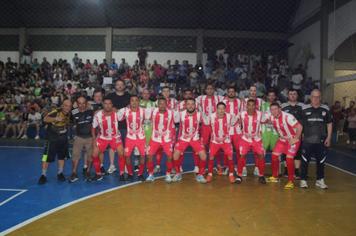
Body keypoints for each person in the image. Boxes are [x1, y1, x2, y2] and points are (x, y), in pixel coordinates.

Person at [300, 89, 332, 189]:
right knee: (305, 161)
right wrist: (299, 136)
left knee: (321, 161)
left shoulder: (325, 109)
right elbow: (300, 125)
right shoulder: (304, 109)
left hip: (321, 141)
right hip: (307, 141)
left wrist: (329, 137)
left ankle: (320, 180)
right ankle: (303, 180)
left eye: (318, 97)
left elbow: (329, 124)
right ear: (310, 97)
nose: (315, 99)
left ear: (320, 98)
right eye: (314, 97)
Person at [267, 103, 303, 189]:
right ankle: (275, 177)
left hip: (292, 139)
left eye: (276, 109)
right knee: (274, 156)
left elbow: (300, 127)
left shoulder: (288, 117)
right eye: (272, 109)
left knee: (289, 158)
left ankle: (291, 181)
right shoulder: (271, 117)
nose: (274, 111)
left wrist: (296, 138)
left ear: (280, 109)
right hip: (282, 139)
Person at [171, 98, 207, 183]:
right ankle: (178, 173)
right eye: (188, 104)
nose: (190, 106)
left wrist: (202, 112)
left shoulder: (199, 114)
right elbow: (175, 120)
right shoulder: (181, 113)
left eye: (192, 104)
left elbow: (207, 122)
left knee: (204, 156)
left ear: (195, 105)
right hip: (183, 139)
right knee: (175, 155)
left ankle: (200, 175)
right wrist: (176, 110)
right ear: (185, 105)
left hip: (195, 139)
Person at [38, 99, 72, 185]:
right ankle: (43, 175)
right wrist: (55, 118)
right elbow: (45, 119)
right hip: (51, 138)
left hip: (63, 138)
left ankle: (60, 173)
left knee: (62, 157)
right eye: (66, 106)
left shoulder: (70, 113)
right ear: (62, 105)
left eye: (69, 106)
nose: (68, 108)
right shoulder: (56, 111)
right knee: (46, 157)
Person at [117, 95, 150, 182]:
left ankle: (140, 174)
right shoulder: (125, 111)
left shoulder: (144, 111)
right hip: (129, 138)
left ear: (138, 102)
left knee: (143, 156)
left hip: (141, 137)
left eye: (136, 100)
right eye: (132, 100)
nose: (134, 102)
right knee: (127, 156)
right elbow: (117, 117)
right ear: (129, 102)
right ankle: (130, 173)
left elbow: (152, 116)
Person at [91, 97, 125, 181]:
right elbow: (93, 127)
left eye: (109, 103)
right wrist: (94, 139)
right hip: (103, 137)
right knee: (94, 154)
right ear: (103, 104)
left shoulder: (117, 113)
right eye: (105, 103)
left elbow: (126, 114)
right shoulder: (98, 115)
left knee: (121, 153)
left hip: (115, 137)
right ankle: (98, 174)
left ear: (112, 105)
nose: (107, 105)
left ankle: (122, 174)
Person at [206, 102, 238, 183]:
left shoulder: (230, 116)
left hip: (226, 141)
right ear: (216, 109)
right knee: (211, 157)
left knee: (230, 157)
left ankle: (231, 174)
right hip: (214, 141)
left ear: (225, 109)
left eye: (223, 108)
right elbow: (206, 123)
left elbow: (235, 122)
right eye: (219, 108)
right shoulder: (211, 116)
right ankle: (209, 174)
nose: (221, 110)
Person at [145, 97, 175, 182]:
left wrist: (172, 137)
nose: (162, 105)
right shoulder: (152, 111)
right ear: (157, 104)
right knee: (149, 156)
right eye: (160, 103)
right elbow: (140, 110)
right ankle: (151, 174)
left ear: (167, 104)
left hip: (167, 139)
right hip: (155, 138)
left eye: (164, 103)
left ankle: (168, 174)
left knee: (169, 156)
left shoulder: (171, 113)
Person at [238, 99, 267, 184]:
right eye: (249, 105)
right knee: (241, 155)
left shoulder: (260, 114)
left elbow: (268, 120)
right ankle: (239, 175)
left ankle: (261, 176)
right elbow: (236, 122)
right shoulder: (242, 114)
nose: (251, 107)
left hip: (257, 139)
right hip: (245, 139)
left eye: (253, 105)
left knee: (261, 155)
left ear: (256, 106)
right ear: (246, 106)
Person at [69, 96, 94, 182]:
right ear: (77, 104)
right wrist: (73, 106)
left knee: (90, 156)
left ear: (86, 103)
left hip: (90, 137)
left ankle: (88, 172)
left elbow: (99, 108)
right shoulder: (74, 112)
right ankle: (74, 172)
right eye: (79, 103)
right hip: (79, 137)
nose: (82, 105)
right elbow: (70, 112)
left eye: (83, 103)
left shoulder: (91, 111)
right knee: (75, 156)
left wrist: (91, 105)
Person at [281, 89, 304, 178]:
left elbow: (304, 121)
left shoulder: (302, 106)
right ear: (288, 96)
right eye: (291, 94)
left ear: (297, 95)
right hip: (286, 134)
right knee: (285, 152)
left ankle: (297, 171)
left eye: (294, 94)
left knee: (297, 152)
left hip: (298, 133)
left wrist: (303, 133)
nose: (293, 95)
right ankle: (286, 170)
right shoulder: (283, 106)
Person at [221, 86, 242, 175]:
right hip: (227, 130)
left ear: (235, 93)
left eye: (233, 91)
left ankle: (239, 166)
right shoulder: (223, 102)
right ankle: (227, 167)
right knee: (227, 150)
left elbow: (242, 113)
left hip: (237, 130)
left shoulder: (240, 102)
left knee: (238, 149)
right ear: (227, 93)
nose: (231, 93)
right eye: (229, 91)